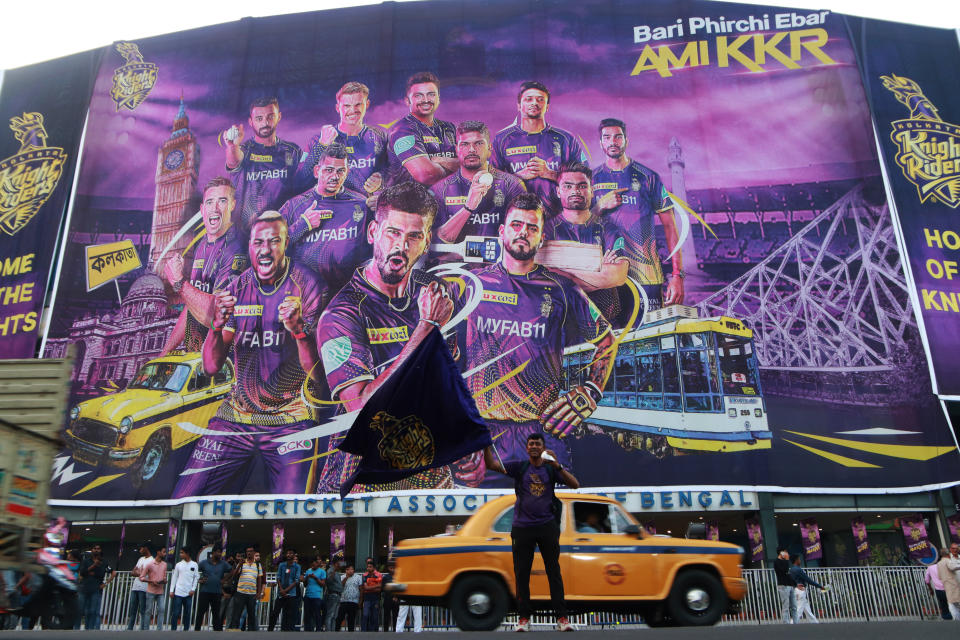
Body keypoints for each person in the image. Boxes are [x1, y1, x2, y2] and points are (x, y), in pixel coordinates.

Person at [314, 181, 463, 493]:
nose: (401, 246)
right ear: (373, 233)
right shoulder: (341, 314)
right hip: (364, 477)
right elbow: (362, 408)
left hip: (430, 470)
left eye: (413, 237)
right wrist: (425, 328)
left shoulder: (434, 293)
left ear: (426, 243)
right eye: (392, 232)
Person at [172, 211, 328, 498]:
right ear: (250, 247)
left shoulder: (308, 284)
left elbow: (318, 375)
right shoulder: (237, 287)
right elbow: (210, 365)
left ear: (285, 243)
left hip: (290, 419)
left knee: (293, 512)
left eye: (274, 241)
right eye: (258, 243)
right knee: (181, 503)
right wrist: (216, 328)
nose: (265, 250)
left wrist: (299, 330)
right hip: (235, 417)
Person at [463, 193, 616, 471]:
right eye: (516, 225)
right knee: (480, 515)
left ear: (541, 238)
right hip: (482, 434)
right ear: (502, 231)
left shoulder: (562, 289)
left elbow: (607, 341)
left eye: (532, 228)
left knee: (551, 512)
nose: (523, 232)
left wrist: (592, 390)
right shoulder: (471, 284)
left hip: (541, 432)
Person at [592, 118, 685, 325]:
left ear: (626, 139)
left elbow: (670, 227)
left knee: (650, 342)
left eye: (618, 136)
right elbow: (579, 225)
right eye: (607, 137)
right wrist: (599, 207)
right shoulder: (592, 179)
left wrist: (677, 276)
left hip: (647, 277)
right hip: (608, 276)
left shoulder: (648, 177)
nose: (613, 141)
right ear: (601, 143)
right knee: (612, 345)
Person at [483, 432, 578, 632]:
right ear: (527, 448)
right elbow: (492, 465)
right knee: (522, 574)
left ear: (543, 448)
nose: (534, 446)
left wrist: (557, 465)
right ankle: (524, 619)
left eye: (538, 444)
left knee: (554, 572)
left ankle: (562, 618)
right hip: (522, 528)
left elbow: (575, 484)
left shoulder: (551, 469)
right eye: (531, 443)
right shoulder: (520, 467)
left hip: (547, 527)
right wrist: (485, 446)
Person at [162, 176, 248, 353]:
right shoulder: (202, 244)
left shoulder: (236, 246)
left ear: (232, 205)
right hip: (196, 356)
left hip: (222, 359)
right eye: (209, 202)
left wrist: (179, 283)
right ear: (202, 209)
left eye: (222, 201)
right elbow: (191, 304)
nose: (215, 208)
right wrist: (164, 353)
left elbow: (218, 314)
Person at [280, 142, 372, 293]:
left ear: (347, 172)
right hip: (304, 293)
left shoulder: (361, 203)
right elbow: (270, 248)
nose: (335, 176)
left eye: (340, 171)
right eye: (329, 170)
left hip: (349, 293)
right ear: (317, 171)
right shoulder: (293, 206)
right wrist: (303, 225)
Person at [544, 162, 628, 321]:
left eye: (582, 186)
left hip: (606, 317)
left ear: (591, 190)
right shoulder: (545, 230)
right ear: (558, 191)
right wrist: (598, 269)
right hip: (562, 319)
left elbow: (617, 276)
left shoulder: (609, 229)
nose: (575, 191)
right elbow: (541, 280)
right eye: (568, 186)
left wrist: (560, 273)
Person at [491, 81, 587, 216]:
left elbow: (585, 179)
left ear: (547, 106)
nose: (534, 103)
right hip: (518, 218)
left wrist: (549, 173)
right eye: (528, 99)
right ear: (519, 105)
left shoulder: (566, 139)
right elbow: (492, 184)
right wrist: (518, 177)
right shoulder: (502, 140)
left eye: (540, 99)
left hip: (559, 219)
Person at [431, 120, 526, 248]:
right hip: (452, 266)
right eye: (464, 144)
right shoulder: (439, 190)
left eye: (479, 143)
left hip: (498, 265)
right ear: (456, 149)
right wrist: (468, 207)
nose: (471, 150)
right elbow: (437, 241)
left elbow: (523, 234)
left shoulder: (512, 185)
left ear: (490, 148)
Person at [224, 97, 303, 234]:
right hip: (248, 234)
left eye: (270, 117)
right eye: (259, 118)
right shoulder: (243, 150)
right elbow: (234, 161)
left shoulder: (291, 151)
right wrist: (232, 146)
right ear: (251, 121)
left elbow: (301, 186)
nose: (265, 123)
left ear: (279, 117)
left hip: (284, 231)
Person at [298, 81, 388, 199]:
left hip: (370, 208)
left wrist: (382, 179)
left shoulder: (380, 136)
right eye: (347, 106)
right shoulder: (320, 139)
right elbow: (301, 179)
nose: (352, 110)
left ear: (367, 104)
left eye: (358, 104)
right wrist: (322, 145)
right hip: (336, 210)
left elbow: (392, 170)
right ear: (337, 108)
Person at [385, 71, 458, 186]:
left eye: (431, 94)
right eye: (418, 95)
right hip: (410, 201)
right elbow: (426, 175)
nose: (425, 100)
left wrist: (439, 160)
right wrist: (458, 167)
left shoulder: (449, 128)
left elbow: (473, 164)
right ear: (407, 101)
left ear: (438, 98)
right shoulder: (402, 130)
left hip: (444, 201)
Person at [196, 544, 229, 631]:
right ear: (213, 553)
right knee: (201, 612)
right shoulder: (204, 563)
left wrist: (224, 579)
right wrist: (199, 580)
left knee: (216, 613)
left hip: (217, 592)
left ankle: (217, 632)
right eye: (218, 552)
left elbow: (232, 571)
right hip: (205, 591)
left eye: (220, 552)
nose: (219, 554)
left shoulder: (223, 564)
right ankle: (196, 631)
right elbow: (194, 570)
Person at [229, 546, 263, 631]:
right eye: (247, 551)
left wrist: (259, 593)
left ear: (254, 552)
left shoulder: (258, 564)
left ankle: (251, 633)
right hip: (241, 592)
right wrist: (239, 565)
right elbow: (234, 575)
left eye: (251, 551)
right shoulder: (242, 563)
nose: (249, 553)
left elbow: (259, 579)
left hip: (252, 593)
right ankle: (235, 630)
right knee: (237, 613)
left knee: (251, 614)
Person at [269, 548, 302, 631]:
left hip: (291, 593)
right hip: (281, 593)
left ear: (294, 555)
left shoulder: (297, 566)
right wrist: (281, 589)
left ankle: (288, 632)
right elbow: (278, 577)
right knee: (275, 613)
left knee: (289, 614)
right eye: (287, 553)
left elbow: (297, 580)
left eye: (291, 553)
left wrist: (286, 590)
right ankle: (270, 630)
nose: (288, 555)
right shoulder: (282, 565)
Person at [788, 555, 828, 624]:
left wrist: (795, 586)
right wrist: (820, 586)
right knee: (799, 609)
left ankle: (815, 622)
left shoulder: (791, 570)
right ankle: (792, 624)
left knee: (807, 609)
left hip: (795, 590)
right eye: (799, 559)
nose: (800, 561)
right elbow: (808, 580)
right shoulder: (798, 570)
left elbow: (789, 580)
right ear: (796, 560)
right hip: (801, 591)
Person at [169, 547, 199, 631]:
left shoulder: (194, 564)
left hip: (188, 592)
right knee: (175, 613)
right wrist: (171, 590)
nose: (180, 554)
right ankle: (173, 630)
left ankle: (186, 630)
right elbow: (174, 577)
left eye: (182, 553)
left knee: (188, 613)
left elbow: (196, 578)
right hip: (178, 592)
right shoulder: (178, 564)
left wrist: (193, 589)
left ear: (187, 553)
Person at [76, 547, 107, 630]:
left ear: (101, 551)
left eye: (98, 549)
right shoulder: (86, 561)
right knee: (80, 609)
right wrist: (93, 566)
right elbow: (82, 573)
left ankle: (89, 629)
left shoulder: (103, 562)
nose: (96, 550)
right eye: (95, 548)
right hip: (84, 587)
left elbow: (101, 574)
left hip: (95, 588)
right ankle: (76, 629)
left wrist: (90, 571)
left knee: (92, 611)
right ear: (92, 550)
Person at [142, 547, 168, 631]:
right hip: (151, 590)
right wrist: (151, 581)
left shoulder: (164, 564)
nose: (165, 554)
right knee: (148, 610)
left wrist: (164, 580)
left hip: (160, 591)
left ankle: (159, 629)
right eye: (163, 552)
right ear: (158, 552)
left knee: (161, 609)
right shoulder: (150, 564)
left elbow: (164, 576)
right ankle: (146, 629)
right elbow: (141, 577)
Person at [925, 550, 952, 620]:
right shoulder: (945, 565)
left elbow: (927, 581)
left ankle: (948, 620)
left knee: (944, 606)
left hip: (939, 590)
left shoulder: (930, 568)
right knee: (954, 604)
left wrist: (931, 589)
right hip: (949, 588)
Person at [302, 556, 326, 631]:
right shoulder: (308, 571)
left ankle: (318, 629)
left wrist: (315, 578)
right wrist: (306, 578)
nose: (313, 566)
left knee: (317, 613)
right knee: (307, 614)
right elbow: (305, 584)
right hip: (308, 595)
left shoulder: (322, 571)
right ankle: (308, 629)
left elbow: (323, 584)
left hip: (317, 596)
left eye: (314, 564)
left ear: (317, 563)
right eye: (311, 565)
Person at [773, 548, 796, 624]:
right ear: (781, 552)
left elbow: (788, 573)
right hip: (783, 585)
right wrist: (786, 560)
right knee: (786, 605)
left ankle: (796, 622)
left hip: (790, 585)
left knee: (794, 606)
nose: (786, 553)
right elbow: (784, 570)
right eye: (785, 552)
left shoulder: (785, 561)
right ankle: (785, 622)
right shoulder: (777, 561)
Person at [360, 558, 383, 631]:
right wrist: (375, 586)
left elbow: (380, 588)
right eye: (367, 567)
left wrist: (369, 587)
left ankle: (374, 632)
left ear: (373, 567)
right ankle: (364, 631)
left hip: (376, 597)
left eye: (370, 567)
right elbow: (365, 588)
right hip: (367, 598)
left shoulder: (379, 575)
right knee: (365, 614)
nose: (368, 568)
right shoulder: (364, 575)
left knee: (375, 615)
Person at [338, 564, 363, 631]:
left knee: (351, 619)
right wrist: (346, 577)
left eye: (351, 569)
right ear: (346, 570)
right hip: (343, 601)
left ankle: (350, 635)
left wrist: (360, 601)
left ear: (354, 570)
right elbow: (340, 587)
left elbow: (361, 589)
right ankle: (336, 633)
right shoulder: (342, 577)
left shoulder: (358, 577)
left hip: (354, 601)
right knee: (340, 618)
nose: (350, 571)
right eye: (348, 569)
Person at [939, 543, 960, 619]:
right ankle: (956, 619)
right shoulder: (948, 559)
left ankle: (956, 619)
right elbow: (952, 568)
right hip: (954, 585)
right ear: (950, 550)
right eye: (953, 548)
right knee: (954, 602)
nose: (955, 550)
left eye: (957, 548)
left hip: (952, 585)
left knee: (953, 602)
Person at [323, 559, 344, 631]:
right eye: (338, 564)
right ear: (335, 564)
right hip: (333, 595)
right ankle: (328, 632)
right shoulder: (330, 570)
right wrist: (334, 570)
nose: (340, 565)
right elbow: (328, 581)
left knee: (335, 616)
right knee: (330, 615)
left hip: (338, 595)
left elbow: (339, 584)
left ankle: (333, 633)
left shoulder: (337, 573)